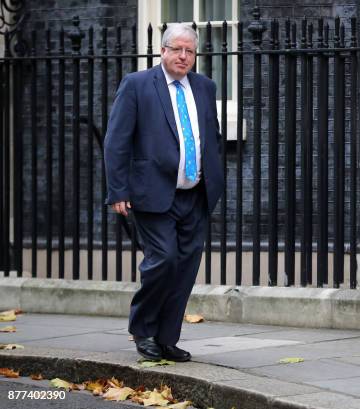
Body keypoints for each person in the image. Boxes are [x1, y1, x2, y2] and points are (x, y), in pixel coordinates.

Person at [104, 23, 223, 362]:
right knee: (163, 260)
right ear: (164, 51)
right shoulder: (138, 85)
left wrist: (214, 178)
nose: (183, 56)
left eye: (189, 51)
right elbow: (116, 142)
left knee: (185, 268)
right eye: (177, 49)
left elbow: (209, 137)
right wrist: (118, 191)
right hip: (152, 192)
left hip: (195, 194)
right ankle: (143, 330)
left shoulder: (205, 87)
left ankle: (167, 338)